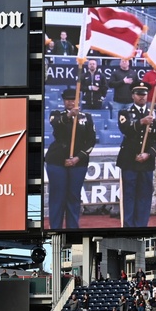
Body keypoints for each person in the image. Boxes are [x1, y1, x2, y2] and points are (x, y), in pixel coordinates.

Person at [117, 80, 156, 227]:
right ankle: (128, 226)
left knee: (144, 197)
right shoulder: (125, 112)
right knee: (129, 196)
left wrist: (149, 154)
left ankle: (141, 226)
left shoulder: (155, 114)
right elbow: (125, 129)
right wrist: (141, 122)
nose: (142, 97)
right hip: (129, 161)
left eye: (144, 94)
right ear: (133, 95)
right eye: (138, 94)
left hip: (146, 162)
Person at [45, 88, 97, 230]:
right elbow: (55, 123)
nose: (70, 102)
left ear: (77, 101)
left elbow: (91, 141)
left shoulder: (86, 117)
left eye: (73, 99)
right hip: (57, 161)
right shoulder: (56, 114)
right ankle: (55, 228)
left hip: (78, 163)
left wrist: (77, 158)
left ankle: (72, 228)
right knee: (57, 196)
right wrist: (69, 115)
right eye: (68, 99)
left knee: (74, 196)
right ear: (63, 101)